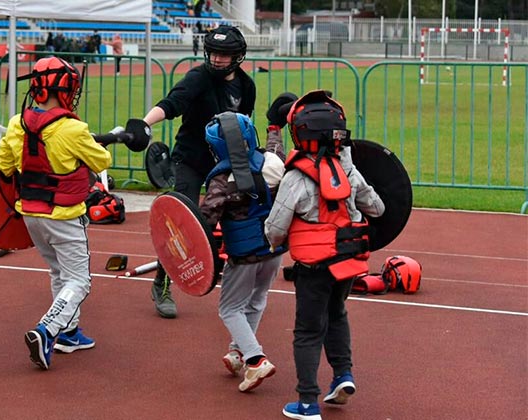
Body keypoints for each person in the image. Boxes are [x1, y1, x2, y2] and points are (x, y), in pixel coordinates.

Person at [264, 90, 385, 420]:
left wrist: (273, 241)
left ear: (300, 133)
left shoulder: (296, 176)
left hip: (313, 266)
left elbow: (276, 228)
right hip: (347, 264)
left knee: (307, 330)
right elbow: (377, 207)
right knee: (337, 314)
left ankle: (306, 403)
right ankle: (343, 376)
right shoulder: (349, 170)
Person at [0, 57, 112, 370]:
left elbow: (3, 166)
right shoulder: (73, 129)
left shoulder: (16, 124)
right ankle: (46, 330)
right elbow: (102, 161)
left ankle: (68, 333)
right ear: (63, 92)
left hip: (30, 216)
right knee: (79, 280)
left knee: (59, 272)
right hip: (65, 216)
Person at [141, 25, 256, 319]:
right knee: (180, 224)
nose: (217, 59)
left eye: (224, 54)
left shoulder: (246, 86)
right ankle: (161, 283)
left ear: (238, 56)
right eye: (214, 52)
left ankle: (240, 290)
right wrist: (145, 123)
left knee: (241, 220)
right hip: (190, 161)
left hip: (225, 164)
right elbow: (172, 103)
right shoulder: (198, 77)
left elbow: (244, 125)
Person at [199, 93, 296, 392]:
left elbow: (205, 221)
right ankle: (237, 352)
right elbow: (275, 150)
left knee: (229, 308)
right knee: (256, 300)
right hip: (275, 249)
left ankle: (255, 360)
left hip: (244, 255)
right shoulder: (272, 162)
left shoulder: (220, 180)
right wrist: (274, 127)